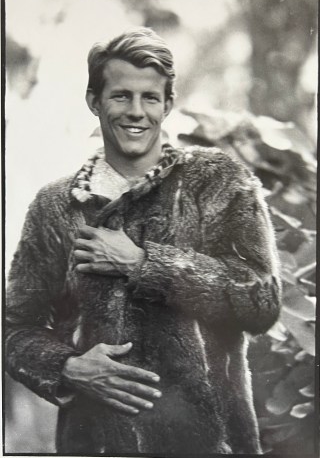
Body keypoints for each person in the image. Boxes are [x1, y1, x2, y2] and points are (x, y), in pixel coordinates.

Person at [6, 27, 281, 455]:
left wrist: (143, 265)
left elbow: (262, 302)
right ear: (94, 101)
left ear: (167, 104)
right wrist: (68, 367)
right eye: (121, 96)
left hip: (211, 445)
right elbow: (15, 329)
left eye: (150, 98)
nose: (136, 111)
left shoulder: (218, 181)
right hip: (92, 445)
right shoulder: (56, 205)